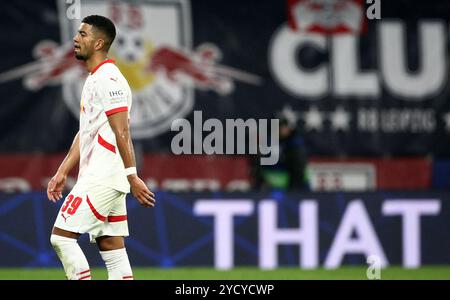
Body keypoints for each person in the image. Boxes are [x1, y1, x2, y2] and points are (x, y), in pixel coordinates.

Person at [46, 15, 155, 280]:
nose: (75, 38)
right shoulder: (95, 78)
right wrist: (63, 171)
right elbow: (87, 133)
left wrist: (132, 175)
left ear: (98, 43)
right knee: (112, 249)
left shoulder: (109, 79)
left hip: (104, 177)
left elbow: (122, 130)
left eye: (83, 34)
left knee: (61, 238)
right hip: (106, 177)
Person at [251, 107, 310, 191]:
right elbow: (258, 166)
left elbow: (299, 167)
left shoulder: (294, 143)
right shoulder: (265, 142)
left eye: (285, 126)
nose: (284, 129)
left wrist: (293, 188)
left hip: (296, 184)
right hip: (272, 185)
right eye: (280, 126)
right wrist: (262, 181)